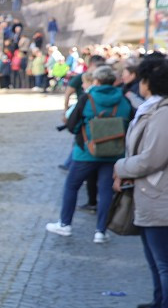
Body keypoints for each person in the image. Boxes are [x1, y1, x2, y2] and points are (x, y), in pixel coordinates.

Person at [115, 56, 168, 308]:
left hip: (160, 199)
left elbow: (152, 158)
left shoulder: (163, 113)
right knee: (158, 267)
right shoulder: (155, 109)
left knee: (164, 268)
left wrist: (121, 167)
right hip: (153, 197)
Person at [47, 65, 134, 243]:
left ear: (96, 80)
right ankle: (101, 231)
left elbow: (72, 125)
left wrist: (84, 133)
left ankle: (65, 224)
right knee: (106, 191)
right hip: (113, 153)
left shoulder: (87, 98)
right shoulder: (124, 100)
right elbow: (131, 124)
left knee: (72, 185)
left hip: (86, 152)